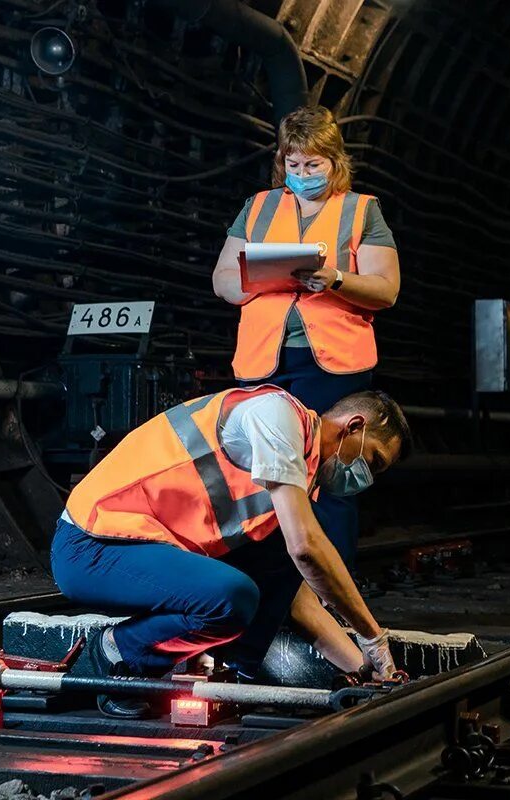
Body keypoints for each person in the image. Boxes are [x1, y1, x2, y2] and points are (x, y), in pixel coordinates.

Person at [51, 384, 411, 699]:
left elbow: (297, 601)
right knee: (232, 597)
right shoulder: (276, 416)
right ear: (354, 426)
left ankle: (237, 675)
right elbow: (306, 548)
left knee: (271, 563)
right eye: (374, 461)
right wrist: (371, 635)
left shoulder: (301, 472)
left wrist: (366, 671)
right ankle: (116, 651)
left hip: (144, 548)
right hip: (92, 545)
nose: (367, 478)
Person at [210, 104, 401, 646]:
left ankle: (332, 601)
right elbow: (224, 279)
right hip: (264, 362)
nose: (303, 171)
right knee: (259, 481)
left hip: (333, 364)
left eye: (314, 163)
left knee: (331, 483)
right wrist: (264, 281)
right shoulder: (258, 208)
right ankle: (265, 595)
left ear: (335, 162)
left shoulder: (362, 210)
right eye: (294, 162)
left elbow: (385, 288)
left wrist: (335, 277)